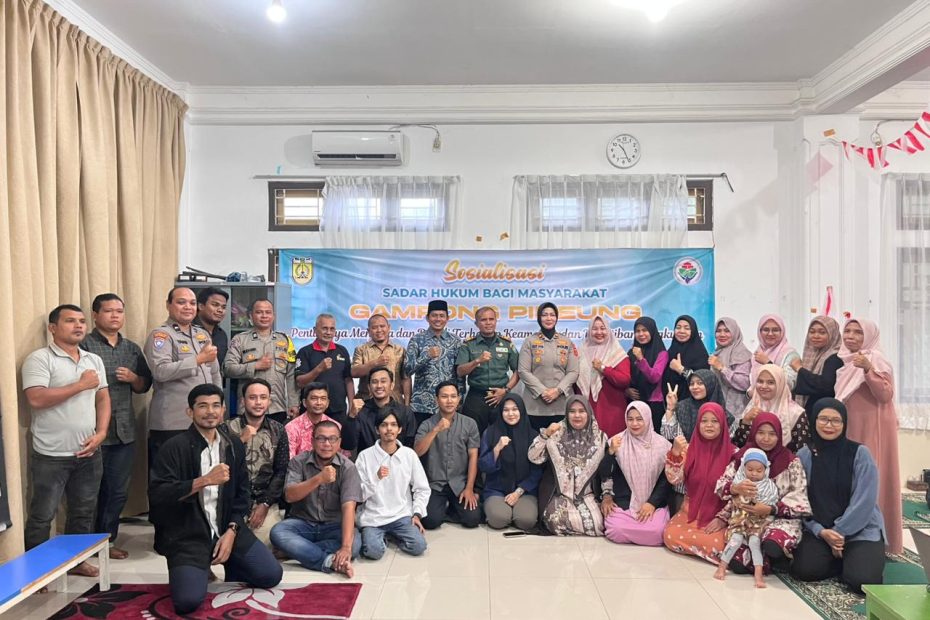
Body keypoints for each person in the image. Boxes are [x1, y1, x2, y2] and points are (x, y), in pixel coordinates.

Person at [148, 384, 282, 615]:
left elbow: (242, 494)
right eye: (202, 406)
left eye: (215, 406)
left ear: (223, 410)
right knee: (187, 602)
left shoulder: (233, 445)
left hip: (226, 526)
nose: (210, 412)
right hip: (188, 534)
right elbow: (159, 494)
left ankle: (230, 560)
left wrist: (231, 531)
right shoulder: (174, 447)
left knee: (270, 575)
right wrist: (204, 481)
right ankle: (197, 566)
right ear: (190, 411)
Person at [22, 304, 111, 577]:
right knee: (43, 514)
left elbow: (103, 398)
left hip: (88, 452)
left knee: (83, 513)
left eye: (82, 321)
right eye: (70, 321)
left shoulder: (93, 360)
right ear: (53, 328)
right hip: (51, 454)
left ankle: (76, 562)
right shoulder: (39, 359)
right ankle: (36, 570)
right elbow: (36, 398)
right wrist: (80, 385)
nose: (79, 326)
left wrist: (102, 432)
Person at [79, 293, 152, 560]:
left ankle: (107, 542)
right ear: (95, 315)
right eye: (109, 311)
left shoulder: (131, 348)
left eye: (119, 311)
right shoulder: (83, 345)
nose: (115, 316)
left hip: (124, 432)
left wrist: (133, 378)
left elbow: (145, 384)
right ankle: (83, 546)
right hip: (89, 431)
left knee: (117, 492)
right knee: (87, 493)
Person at [790, 398, 886, 594]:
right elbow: (800, 500)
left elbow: (865, 501)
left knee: (863, 582)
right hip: (822, 531)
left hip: (860, 529)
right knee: (804, 570)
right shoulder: (804, 455)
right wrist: (820, 531)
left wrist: (839, 532)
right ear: (814, 420)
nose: (829, 425)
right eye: (823, 419)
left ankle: (855, 559)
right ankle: (842, 560)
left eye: (836, 420)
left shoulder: (860, 454)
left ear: (844, 423)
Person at [834, 318, 902, 554]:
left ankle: (876, 538)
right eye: (847, 331)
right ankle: (849, 534)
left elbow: (885, 394)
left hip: (874, 425)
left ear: (869, 336)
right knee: (852, 476)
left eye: (858, 332)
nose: (851, 336)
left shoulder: (875, 358)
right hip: (852, 424)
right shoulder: (846, 361)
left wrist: (868, 369)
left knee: (872, 477)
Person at [716, 413, 811, 574]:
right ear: (753, 432)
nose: (766, 439)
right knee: (738, 565)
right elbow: (720, 486)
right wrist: (735, 488)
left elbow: (800, 499)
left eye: (772, 434)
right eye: (761, 432)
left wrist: (771, 509)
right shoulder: (743, 457)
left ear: (779, 435)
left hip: (779, 518)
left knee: (772, 545)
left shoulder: (791, 462)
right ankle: (763, 559)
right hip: (746, 519)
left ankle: (774, 556)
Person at [270, 420, 363, 576]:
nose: (327, 444)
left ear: (339, 442)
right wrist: (318, 479)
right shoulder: (298, 462)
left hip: (333, 526)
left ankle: (297, 551)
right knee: (278, 532)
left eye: (332, 439)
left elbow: (349, 507)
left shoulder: (348, 468)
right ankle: (327, 561)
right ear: (312, 441)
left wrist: (346, 548)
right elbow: (289, 496)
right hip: (303, 523)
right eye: (321, 438)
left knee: (355, 545)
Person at [144, 287, 222, 470]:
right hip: (172, 423)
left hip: (203, 421)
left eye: (192, 303)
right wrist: (197, 360)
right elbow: (160, 371)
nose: (188, 307)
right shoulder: (161, 335)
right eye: (181, 302)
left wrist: (220, 404)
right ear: (168, 305)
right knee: (170, 478)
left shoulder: (202, 334)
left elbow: (215, 372)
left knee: (200, 475)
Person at [663, 403, 738, 564]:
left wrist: (722, 519)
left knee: (720, 545)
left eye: (715, 421)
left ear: (723, 424)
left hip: (720, 516)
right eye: (704, 421)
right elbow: (674, 479)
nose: (709, 425)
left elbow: (737, 494)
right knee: (670, 535)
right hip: (690, 513)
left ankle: (699, 547)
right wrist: (675, 453)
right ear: (698, 424)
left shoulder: (734, 454)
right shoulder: (688, 450)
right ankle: (703, 549)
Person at [355, 409, 430, 560]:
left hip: (401, 515)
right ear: (377, 430)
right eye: (384, 425)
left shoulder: (409, 454)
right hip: (373, 518)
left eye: (393, 425)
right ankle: (381, 538)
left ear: (399, 429)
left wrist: (417, 514)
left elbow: (422, 488)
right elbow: (358, 495)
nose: (389, 429)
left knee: (419, 546)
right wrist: (376, 478)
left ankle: (391, 536)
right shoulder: (365, 456)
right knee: (373, 552)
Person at [223, 378, 289, 546]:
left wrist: (265, 503)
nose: (258, 402)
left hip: (264, 500)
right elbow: (219, 464)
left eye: (263, 397)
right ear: (242, 401)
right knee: (226, 545)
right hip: (231, 502)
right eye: (252, 397)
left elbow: (281, 471)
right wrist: (240, 441)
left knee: (270, 544)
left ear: (269, 401)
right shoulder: (226, 428)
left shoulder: (278, 430)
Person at [528, 395, 607, 536]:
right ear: (566, 413)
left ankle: (575, 526)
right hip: (559, 494)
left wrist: (606, 495)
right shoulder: (556, 433)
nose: (577, 415)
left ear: (588, 413)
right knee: (556, 520)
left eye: (582, 411)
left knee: (598, 523)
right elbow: (533, 457)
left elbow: (606, 471)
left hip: (586, 495)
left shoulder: (600, 438)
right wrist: (545, 435)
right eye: (572, 411)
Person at [600, 402, 672, 546]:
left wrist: (652, 503)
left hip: (654, 503)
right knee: (615, 530)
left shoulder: (663, 445)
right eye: (630, 419)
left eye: (639, 419)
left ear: (648, 419)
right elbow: (604, 474)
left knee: (658, 533)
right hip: (625, 503)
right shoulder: (617, 441)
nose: (634, 424)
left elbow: (666, 480)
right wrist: (611, 453)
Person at [414, 381, 481, 529]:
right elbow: (417, 451)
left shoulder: (469, 424)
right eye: (444, 396)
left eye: (453, 396)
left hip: (459, 483)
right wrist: (435, 430)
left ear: (459, 399)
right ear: (436, 399)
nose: (449, 400)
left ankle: (451, 508)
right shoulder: (427, 424)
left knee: (473, 519)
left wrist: (469, 488)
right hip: (435, 483)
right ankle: (443, 508)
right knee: (430, 521)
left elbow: (473, 456)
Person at [223, 298, 299, 426]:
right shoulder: (240, 340)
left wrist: (293, 403)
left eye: (268, 312)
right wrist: (255, 366)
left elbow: (291, 375)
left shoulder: (285, 340)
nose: (264, 316)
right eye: (259, 312)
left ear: (273, 316)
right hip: (248, 407)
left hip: (277, 407)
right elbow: (227, 368)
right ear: (250, 315)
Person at [714, 449, 779, 588]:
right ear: (744, 468)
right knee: (735, 540)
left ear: (765, 470)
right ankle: (722, 567)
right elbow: (731, 499)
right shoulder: (739, 482)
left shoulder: (769, 487)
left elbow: (771, 505)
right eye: (750, 469)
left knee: (755, 543)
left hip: (757, 523)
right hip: (739, 520)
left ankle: (758, 574)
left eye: (759, 470)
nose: (754, 474)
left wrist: (763, 509)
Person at [478, 393, 542, 531]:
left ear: (522, 411)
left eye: (515, 409)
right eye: (506, 410)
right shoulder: (490, 433)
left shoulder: (533, 436)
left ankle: (516, 511)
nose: (510, 414)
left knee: (526, 521)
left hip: (525, 491)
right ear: (501, 412)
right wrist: (497, 449)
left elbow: (537, 471)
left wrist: (518, 492)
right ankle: (504, 511)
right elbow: (483, 466)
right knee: (498, 519)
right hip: (496, 489)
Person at [295, 314, 356, 450]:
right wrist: (319, 369)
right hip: (312, 411)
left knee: (336, 448)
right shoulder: (305, 352)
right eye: (324, 328)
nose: (328, 332)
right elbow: (300, 382)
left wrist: (352, 404)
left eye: (332, 329)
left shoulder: (342, 351)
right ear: (315, 330)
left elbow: (348, 379)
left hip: (338, 410)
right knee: (312, 447)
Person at [456, 306, 520, 435]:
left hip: (501, 395)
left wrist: (506, 390)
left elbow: (518, 371)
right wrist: (477, 361)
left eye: (491, 319)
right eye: (483, 320)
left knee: (504, 435)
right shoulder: (468, 344)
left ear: (496, 321)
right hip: (477, 397)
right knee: (473, 436)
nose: (488, 323)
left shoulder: (506, 343)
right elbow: (460, 371)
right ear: (476, 323)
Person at [518, 302, 580, 431]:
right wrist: (543, 391)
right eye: (544, 315)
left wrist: (557, 391)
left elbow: (573, 371)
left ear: (556, 318)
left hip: (562, 405)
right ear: (539, 318)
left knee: (562, 442)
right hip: (535, 406)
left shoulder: (566, 342)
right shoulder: (529, 341)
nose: (549, 318)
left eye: (552, 315)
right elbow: (523, 371)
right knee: (536, 442)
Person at [406, 300, 462, 426]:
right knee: (423, 438)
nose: (438, 319)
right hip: (422, 406)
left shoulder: (455, 341)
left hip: (449, 405)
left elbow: (460, 374)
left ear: (447, 318)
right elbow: (407, 370)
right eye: (434, 315)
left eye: (442, 316)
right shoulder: (417, 340)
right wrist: (426, 356)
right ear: (427, 318)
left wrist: (459, 399)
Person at [733, 364, 810, 453]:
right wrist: (746, 421)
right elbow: (738, 445)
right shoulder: (752, 406)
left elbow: (802, 451)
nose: (764, 386)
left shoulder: (796, 413)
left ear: (780, 384)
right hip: (753, 460)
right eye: (760, 381)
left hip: (785, 461)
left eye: (770, 382)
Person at [576, 315, 630, 438]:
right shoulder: (580, 352)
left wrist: (603, 368)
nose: (599, 332)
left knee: (611, 446)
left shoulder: (617, 352)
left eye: (602, 328)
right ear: (589, 331)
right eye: (595, 329)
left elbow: (624, 380)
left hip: (611, 411)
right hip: (586, 409)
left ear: (608, 330)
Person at [350, 367, 418, 452]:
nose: (379, 386)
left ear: (392, 385)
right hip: (368, 459)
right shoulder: (360, 411)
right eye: (374, 382)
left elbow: (410, 445)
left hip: (398, 459)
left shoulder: (405, 412)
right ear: (369, 387)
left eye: (383, 381)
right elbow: (348, 445)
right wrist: (351, 416)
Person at [792, 315, 842, 426]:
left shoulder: (835, 357)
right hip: (813, 410)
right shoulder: (812, 354)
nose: (816, 336)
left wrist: (800, 369)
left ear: (832, 334)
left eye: (822, 332)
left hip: (824, 415)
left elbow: (825, 385)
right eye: (812, 332)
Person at [661, 369, 732, 444]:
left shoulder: (722, 412)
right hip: (688, 450)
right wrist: (670, 408)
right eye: (691, 384)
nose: (694, 387)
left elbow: (729, 442)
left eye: (700, 383)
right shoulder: (683, 407)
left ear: (711, 384)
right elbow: (668, 435)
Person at [352, 314, 410, 404]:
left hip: (395, 403)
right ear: (369, 331)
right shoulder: (361, 350)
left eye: (382, 326)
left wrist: (407, 403)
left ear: (389, 328)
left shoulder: (400, 350)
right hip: (367, 403)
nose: (379, 330)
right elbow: (354, 372)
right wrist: (374, 363)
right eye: (374, 327)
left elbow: (406, 378)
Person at [625, 316, 668, 430]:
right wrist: (626, 390)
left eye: (644, 330)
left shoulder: (662, 353)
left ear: (652, 331)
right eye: (637, 331)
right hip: (634, 403)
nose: (641, 334)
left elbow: (655, 377)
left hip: (654, 404)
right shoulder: (631, 352)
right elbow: (626, 376)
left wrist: (641, 359)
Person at [708, 317, 752, 418]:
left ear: (735, 332)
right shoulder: (717, 353)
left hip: (737, 412)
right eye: (718, 331)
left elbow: (745, 383)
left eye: (727, 331)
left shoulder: (741, 353)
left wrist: (722, 368)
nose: (722, 334)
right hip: (718, 408)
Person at [286, 383, 342, 459]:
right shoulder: (292, 427)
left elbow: (339, 458)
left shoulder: (336, 426)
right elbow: (290, 460)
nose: (319, 403)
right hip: (299, 466)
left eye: (323, 398)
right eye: (314, 398)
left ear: (327, 403)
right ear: (304, 403)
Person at [663, 315, 710, 400]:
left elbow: (704, 380)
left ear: (693, 331)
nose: (682, 331)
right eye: (678, 327)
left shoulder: (700, 353)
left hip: (693, 402)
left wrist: (681, 369)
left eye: (687, 328)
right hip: (669, 401)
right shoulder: (670, 351)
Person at [751, 314, 800, 390]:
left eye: (775, 330)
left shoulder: (790, 354)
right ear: (760, 332)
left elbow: (789, 383)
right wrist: (749, 393)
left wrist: (768, 363)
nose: (770, 334)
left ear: (782, 332)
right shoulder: (758, 353)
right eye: (766, 330)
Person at [193, 287, 230, 370]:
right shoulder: (187, 330)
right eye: (215, 305)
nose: (220, 310)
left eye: (223, 307)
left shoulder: (221, 334)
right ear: (201, 306)